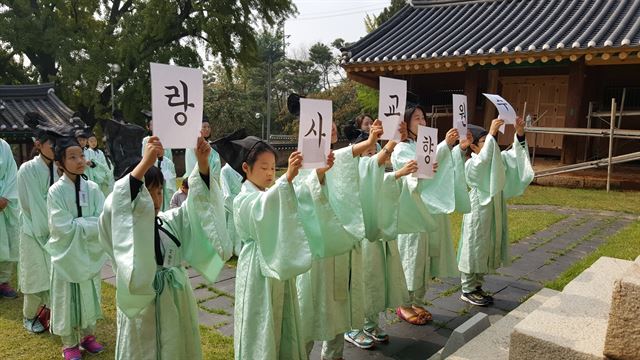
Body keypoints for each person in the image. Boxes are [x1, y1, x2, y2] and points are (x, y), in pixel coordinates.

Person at [99, 134, 231, 360]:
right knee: (143, 347)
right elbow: (117, 204)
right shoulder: (122, 229)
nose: (155, 199)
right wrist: (144, 165)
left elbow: (198, 208)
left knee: (176, 345)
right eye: (146, 193)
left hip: (174, 295)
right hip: (142, 300)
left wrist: (202, 164)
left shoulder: (170, 221)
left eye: (159, 191)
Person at [230, 137, 312, 360]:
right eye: (264, 167)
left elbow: (286, 204)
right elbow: (263, 208)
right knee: (259, 320)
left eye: (274, 168)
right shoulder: (243, 198)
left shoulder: (267, 192)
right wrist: (286, 178)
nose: (270, 173)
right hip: (256, 268)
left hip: (275, 262)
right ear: (246, 168)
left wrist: (297, 177)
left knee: (280, 317)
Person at [390, 105, 470, 325]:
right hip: (414, 212)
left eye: (423, 117)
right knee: (413, 257)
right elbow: (416, 172)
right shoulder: (401, 148)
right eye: (417, 118)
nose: (422, 121)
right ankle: (404, 304)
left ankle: (417, 300)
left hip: (431, 209)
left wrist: (456, 148)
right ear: (406, 123)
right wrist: (445, 146)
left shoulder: (425, 144)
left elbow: (441, 164)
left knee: (427, 259)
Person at [458, 118, 534, 306]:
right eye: (484, 142)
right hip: (478, 208)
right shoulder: (470, 164)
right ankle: (467, 288)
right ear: (474, 147)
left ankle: (477, 285)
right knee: (474, 245)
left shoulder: (497, 161)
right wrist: (491, 134)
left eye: (489, 140)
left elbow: (517, 157)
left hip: (494, 207)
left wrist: (520, 133)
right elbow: (482, 165)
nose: (490, 144)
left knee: (488, 245)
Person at [46, 133, 106, 360]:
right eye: (72, 157)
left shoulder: (93, 188)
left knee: (89, 293)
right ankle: (69, 342)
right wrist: (87, 225)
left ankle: (88, 336)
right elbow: (61, 227)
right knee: (67, 297)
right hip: (67, 253)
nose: (80, 160)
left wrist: (82, 225)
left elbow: (102, 219)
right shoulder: (56, 191)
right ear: (60, 163)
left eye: (81, 155)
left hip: (88, 252)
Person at [17, 113, 60, 333]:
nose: (55, 148)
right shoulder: (27, 170)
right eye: (51, 144)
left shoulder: (59, 168)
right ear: (38, 144)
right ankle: (30, 315)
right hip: (34, 230)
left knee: (55, 277)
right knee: (35, 276)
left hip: (55, 231)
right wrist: (49, 231)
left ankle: (51, 314)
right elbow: (30, 204)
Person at [0, 136, 19, 299]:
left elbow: (12, 173)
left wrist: (5, 197)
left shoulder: (3, 145)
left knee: (7, 244)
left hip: (4, 202)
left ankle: (3, 282)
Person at [184, 115, 221, 179]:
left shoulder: (213, 145)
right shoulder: (192, 147)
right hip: (198, 180)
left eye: (208, 127)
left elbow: (217, 164)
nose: (207, 129)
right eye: (204, 127)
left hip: (213, 181)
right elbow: (191, 166)